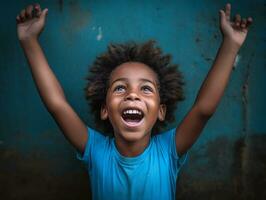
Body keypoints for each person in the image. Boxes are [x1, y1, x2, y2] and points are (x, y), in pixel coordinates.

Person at [16, 2, 252, 200]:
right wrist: (29, 41)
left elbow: (203, 109)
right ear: (105, 110)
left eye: (146, 89)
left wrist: (230, 44)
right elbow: (58, 105)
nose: (132, 94)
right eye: (120, 88)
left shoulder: (168, 151)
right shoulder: (96, 150)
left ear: (160, 111)